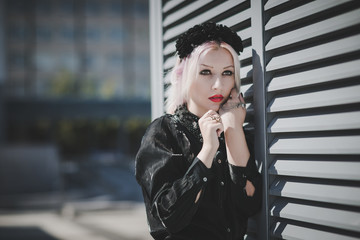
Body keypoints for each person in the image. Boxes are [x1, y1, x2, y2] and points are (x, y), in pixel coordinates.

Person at [135, 22, 262, 240]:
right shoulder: (163, 132)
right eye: (206, 72)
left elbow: (251, 204)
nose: (218, 85)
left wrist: (233, 130)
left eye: (227, 73)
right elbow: (167, 219)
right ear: (185, 75)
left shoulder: (235, 129)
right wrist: (208, 151)